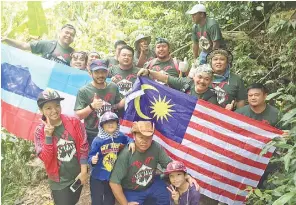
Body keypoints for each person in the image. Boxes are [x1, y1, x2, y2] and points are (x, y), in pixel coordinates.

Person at [109, 121, 198, 205]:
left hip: (152, 183)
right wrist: (125, 204)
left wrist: (188, 176)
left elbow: (169, 165)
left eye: (148, 138)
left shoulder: (155, 147)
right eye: (141, 137)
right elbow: (114, 182)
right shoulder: (126, 154)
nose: (144, 141)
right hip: (132, 189)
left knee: (171, 197)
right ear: (134, 136)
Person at [34, 89, 88, 205]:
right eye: (48, 108)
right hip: (58, 181)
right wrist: (48, 136)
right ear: (41, 110)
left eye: (57, 106)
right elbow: (46, 158)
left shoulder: (74, 122)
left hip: (77, 175)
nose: (54, 110)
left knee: (74, 201)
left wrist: (84, 171)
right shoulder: (40, 131)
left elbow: (83, 146)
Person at [88, 111, 135, 205]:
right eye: (106, 122)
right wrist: (92, 160)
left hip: (112, 176)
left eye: (113, 121)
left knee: (109, 199)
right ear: (102, 126)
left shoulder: (120, 136)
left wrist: (131, 142)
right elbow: (90, 156)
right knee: (97, 199)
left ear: (117, 124)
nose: (110, 124)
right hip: (98, 176)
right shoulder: (98, 140)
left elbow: (128, 139)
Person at [74, 59, 123, 146]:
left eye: (103, 72)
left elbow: (116, 107)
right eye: (97, 72)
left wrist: (128, 98)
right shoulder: (83, 91)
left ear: (107, 72)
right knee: (93, 159)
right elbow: (78, 116)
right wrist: (92, 106)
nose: (100, 75)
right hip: (91, 134)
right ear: (90, 73)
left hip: (111, 132)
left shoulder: (113, 87)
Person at [137, 64, 219, 106]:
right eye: (199, 77)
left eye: (206, 79)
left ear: (211, 82)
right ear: (194, 77)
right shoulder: (186, 83)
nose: (202, 81)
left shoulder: (211, 97)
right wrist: (148, 72)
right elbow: (165, 78)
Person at [2, 24, 76, 65]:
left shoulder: (74, 54)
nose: (69, 36)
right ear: (60, 33)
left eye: (72, 35)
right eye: (66, 32)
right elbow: (24, 46)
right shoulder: (47, 44)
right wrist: (6, 39)